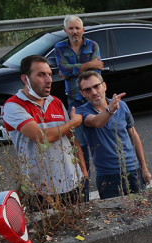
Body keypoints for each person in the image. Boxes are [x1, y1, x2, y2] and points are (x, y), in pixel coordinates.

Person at [2, 55, 86, 210]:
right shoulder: (13, 106)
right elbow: (43, 137)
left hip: (71, 183)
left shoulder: (56, 102)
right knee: (48, 233)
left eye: (49, 74)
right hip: (39, 189)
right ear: (25, 78)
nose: (49, 80)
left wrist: (83, 171)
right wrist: (72, 123)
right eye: (41, 75)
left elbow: (71, 138)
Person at [75, 71, 151, 199]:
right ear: (82, 93)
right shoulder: (81, 111)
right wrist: (110, 109)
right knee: (115, 216)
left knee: (142, 211)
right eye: (87, 90)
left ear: (104, 86)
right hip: (108, 176)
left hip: (133, 170)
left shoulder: (122, 105)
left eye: (96, 86)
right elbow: (96, 122)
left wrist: (144, 167)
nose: (93, 92)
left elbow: (133, 136)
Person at [53, 15, 101, 198]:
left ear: (83, 29)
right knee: (81, 148)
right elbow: (63, 71)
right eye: (71, 28)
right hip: (74, 101)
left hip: (93, 101)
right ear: (65, 31)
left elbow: (93, 74)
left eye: (77, 28)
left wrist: (73, 69)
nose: (74, 32)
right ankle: (84, 195)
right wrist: (87, 64)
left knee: (100, 143)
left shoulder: (93, 45)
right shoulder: (59, 47)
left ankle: (110, 188)